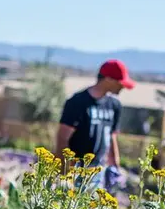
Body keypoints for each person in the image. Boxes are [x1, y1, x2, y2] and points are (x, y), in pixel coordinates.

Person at [55, 60, 134, 190]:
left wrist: (115, 167)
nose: (123, 87)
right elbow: (62, 138)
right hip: (77, 170)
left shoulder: (114, 105)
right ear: (108, 79)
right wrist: (65, 174)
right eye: (120, 82)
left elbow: (111, 137)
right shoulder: (78, 102)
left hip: (99, 171)